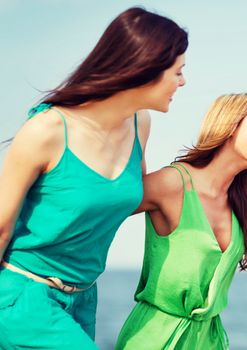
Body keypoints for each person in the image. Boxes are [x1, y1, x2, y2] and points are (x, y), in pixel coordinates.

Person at [0, 7, 188, 349]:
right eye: (178, 72)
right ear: (146, 68)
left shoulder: (139, 124)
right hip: (23, 296)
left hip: (84, 299)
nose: (183, 82)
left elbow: (124, 197)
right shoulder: (47, 130)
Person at [115, 93, 247, 350]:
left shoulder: (237, 206)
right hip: (156, 339)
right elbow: (104, 209)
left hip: (209, 341)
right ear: (232, 123)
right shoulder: (173, 184)